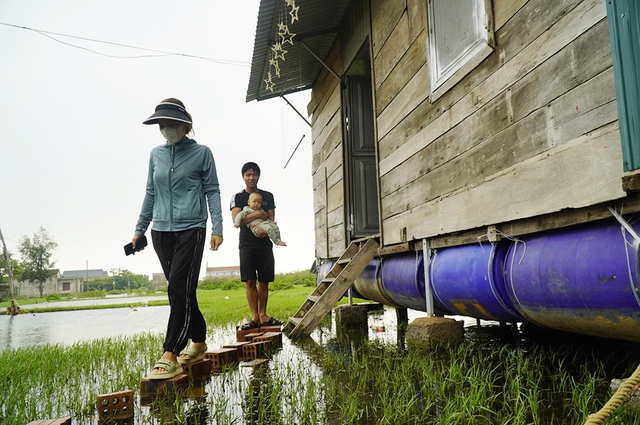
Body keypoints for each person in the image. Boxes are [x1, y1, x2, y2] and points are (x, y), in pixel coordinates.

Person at [132, 98, 223, 380]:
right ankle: (199, 341)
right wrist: (139, 229)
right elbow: (150, 192)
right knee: (181, 288)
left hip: (192, 228)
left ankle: (171, 351)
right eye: (162, 124)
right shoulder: (155, 155)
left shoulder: (202, 153)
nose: (166, 129)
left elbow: (213, 190)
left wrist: (217, 226)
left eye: (171, 124)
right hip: (160, 231)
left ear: (185, 126)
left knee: (178, 288)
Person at [231, 162, 284, 331]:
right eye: (248, 174)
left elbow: (270, 218)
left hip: (264, 243)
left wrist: (265, 221)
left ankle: (263, 315)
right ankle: (254, 316)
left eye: (254, 174)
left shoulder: (268, 196)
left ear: (258, 176)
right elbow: (237, 220)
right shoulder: (237, 197)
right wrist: (260, 214)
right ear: (243, 177)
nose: (251, 178)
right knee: (249, 280)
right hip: (246, 244)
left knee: (264, 280)